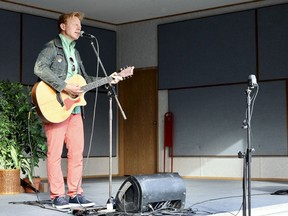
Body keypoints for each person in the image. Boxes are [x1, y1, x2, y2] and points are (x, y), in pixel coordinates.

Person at [34, 12, 123, 209]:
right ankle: (58, 196)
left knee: (76, 153)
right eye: (74, 24)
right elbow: (39, 68)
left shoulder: (76, 52)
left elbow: (83, 82)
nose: (79, 27)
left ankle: (75, 193)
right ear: (63, 26)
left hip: (74, 110)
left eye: (80, 24)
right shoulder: (52, 47)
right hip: (55, 107)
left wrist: (109, 78)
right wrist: (63, 87)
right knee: (55, 153)